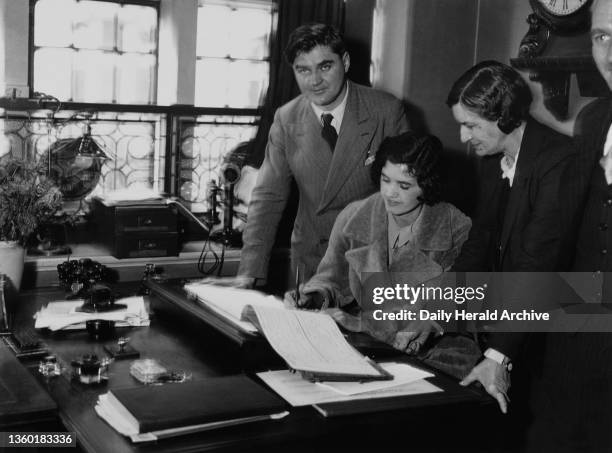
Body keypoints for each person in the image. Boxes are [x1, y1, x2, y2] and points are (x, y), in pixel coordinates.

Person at [216, 23, 409, 288]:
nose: (315, 81)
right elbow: (267, 199)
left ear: (345, 61)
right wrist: (248, 273)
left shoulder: (385, 110)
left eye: (325, 66)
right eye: (303, 70)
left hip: (370, 263)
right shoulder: (286, 119)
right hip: (311, 264)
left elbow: (410, 198)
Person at [286, 132, 480, 378]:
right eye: (385, 179)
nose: (390, 193)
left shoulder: (457, 229)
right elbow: (332, 277)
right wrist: (313, 296)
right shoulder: (354, 216)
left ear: (429, 184)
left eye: (404, 185)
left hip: (434, 350)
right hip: (366, 346)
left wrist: (360, 323)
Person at [444, 61, 574, 415]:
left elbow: (537, 264)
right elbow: (478, 242)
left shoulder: (558, 160)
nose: (463, 138)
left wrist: (499, 354)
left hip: (555, 340)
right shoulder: (493, 160)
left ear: (505, 117)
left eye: (470, 125)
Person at [523, 1, 612, 450]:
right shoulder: (594, 119)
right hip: (572, 352)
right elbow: (556, 243)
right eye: (601, 37)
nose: (611, 54)